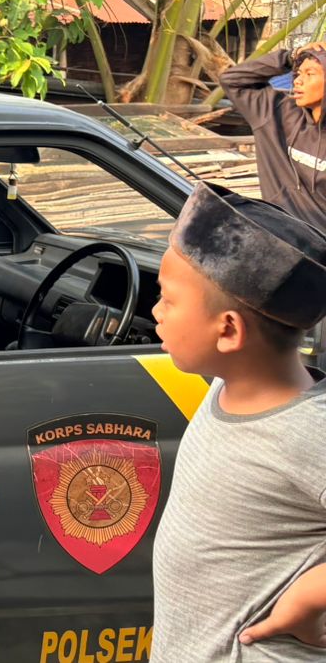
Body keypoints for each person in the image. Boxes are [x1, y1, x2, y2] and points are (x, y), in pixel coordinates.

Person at [151, 183, 326, 660]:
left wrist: (309, 600)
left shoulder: (308, 434)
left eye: (167, 299)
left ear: (228, 330)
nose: (155, 312)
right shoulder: (224, 387)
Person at [217, 41, 326, 233]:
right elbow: (232, 79)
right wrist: (289, 56)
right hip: (279, 238)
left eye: (310, 74)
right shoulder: (277, 114)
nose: (298, 81)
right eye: (298, 73)